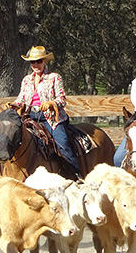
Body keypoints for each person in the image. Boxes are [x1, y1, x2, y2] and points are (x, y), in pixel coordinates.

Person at [9, 45, 82, 178]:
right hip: (30, 116)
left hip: (52, 118)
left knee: (62, 142)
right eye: (33, 62)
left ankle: (76, 174)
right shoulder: (26, 80)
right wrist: (13, 104)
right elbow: (22, 99)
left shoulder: (54, 77)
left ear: (45, 62)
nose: (36, 65)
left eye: (39, 61)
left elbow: (62, 99)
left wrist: (51, 103)